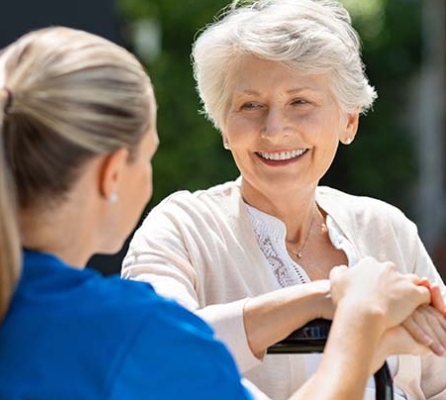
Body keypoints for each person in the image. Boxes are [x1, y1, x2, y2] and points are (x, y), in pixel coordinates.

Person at [0, 25, 436, 400]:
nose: (274, 128)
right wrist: (358, 321)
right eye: (149, 154)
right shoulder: (134, 329)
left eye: (301, 102)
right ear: (113, 173)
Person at [121, 0, 446, 399]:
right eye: (250, 105)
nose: (274, 130)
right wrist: (331, 298)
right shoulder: (181, 229)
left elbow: (440, 378)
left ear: (349, 120)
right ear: (224, 126)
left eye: (300, 102)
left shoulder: (385, 227)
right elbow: (153, 356)